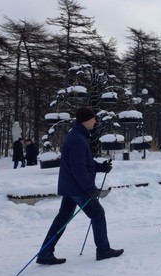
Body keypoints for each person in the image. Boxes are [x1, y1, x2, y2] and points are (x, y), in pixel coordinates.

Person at [36, 107, 123, 265]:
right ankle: (103, 250)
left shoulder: (78, 136)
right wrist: (89, 188)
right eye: (93, 119)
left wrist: (101, 167)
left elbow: (84, 163)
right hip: (77, 187)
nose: (95, 121)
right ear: (86, 120)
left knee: (62, 219)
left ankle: (45, 253)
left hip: (71, 186)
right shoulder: (77, 139)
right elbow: (78, 169)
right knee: (97, 214)